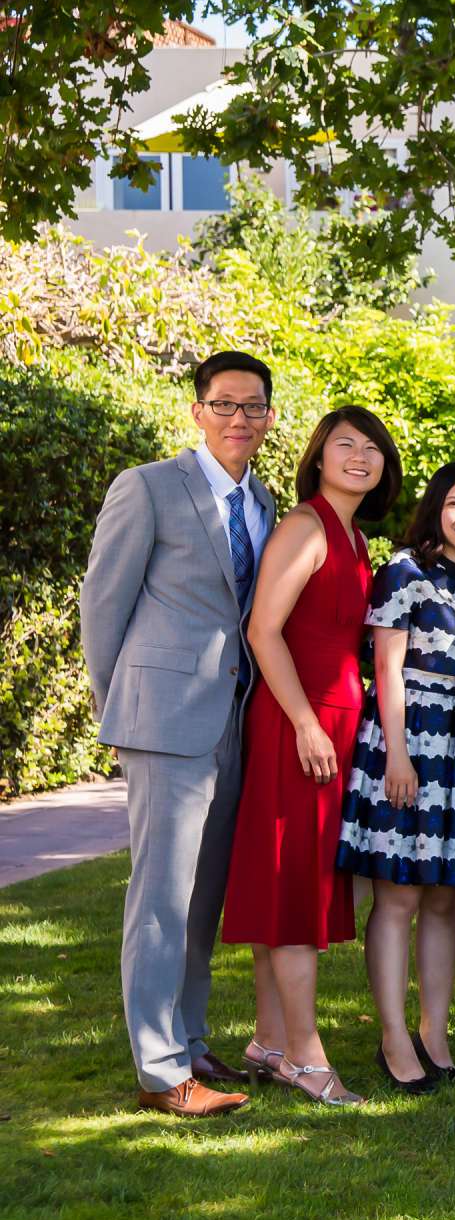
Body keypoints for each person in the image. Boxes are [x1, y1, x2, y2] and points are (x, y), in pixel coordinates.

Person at [81, 350, 279, 1116]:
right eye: (225, 404)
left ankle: (189, 1039)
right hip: (165, 722)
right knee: (162, 894)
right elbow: (104, 606)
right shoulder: (148, 488)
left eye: (253, 406)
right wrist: (128, 709)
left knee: (202, 898)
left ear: (266, 418)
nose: (239, 418)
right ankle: (161, 1073)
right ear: (197, 412)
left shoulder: (261, 502)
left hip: (234, 720)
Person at [218, 407, 398, 1106]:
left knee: (294, 881)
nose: (359, 456)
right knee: (292, 888)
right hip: (301, 723)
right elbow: (263, 630)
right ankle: (306, 1056)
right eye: (343, 445)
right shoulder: (305, 525)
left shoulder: (354, 537)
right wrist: (303, 722)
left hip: (332, 725)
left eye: (371, 447)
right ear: (318, 457)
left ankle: (268, 1039)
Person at [337, 461, 455, 1092]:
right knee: (399, 894)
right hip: (407, 741)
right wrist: (400, 755)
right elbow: (385, 670)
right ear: (436, 507)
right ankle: (392, 1037)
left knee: (443, 898)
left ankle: (434, 1032)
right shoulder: (403, 572)